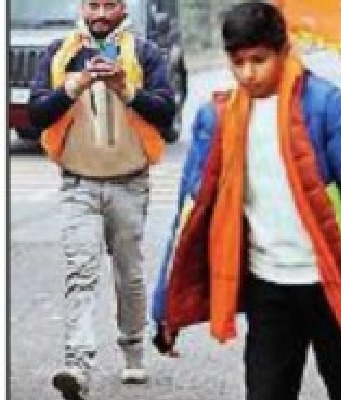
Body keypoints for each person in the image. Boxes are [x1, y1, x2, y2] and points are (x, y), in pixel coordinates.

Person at [152, 2, 341, 400]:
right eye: (238, 62)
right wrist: (166, 307)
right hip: (269, 289)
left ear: (283, 51)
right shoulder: (217, 118)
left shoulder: (326, 107)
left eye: (259, 60)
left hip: (335, 284)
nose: (248, 74)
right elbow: (190, 215)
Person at [29, 0, 175, 398]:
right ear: (82, 7)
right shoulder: (60, 53)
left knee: (129, 274)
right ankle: (77, 365)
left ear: (123, 8)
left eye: (110, 4)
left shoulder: (144, 52)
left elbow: (166, 111)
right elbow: (37, 113)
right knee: (80, 273)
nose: (100, 14)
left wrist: (125, 89)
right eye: (93, 4)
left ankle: (133, 350)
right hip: (78, 184)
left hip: (130, 182)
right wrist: (75, 84)